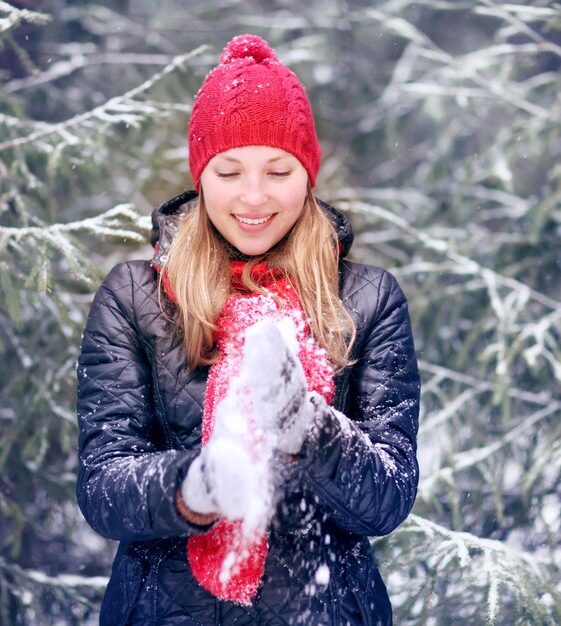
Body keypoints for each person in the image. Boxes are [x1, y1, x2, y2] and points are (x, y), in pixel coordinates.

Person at [76, 33, 420, 626]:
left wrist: (306, 425)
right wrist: (197, 485)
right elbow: (103, 488)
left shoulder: (365, 299)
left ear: (307, 175)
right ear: (201, 177)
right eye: (229, 171)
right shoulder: (137, 297)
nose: (254, 196)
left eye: (278, 170)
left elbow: (387, 498)